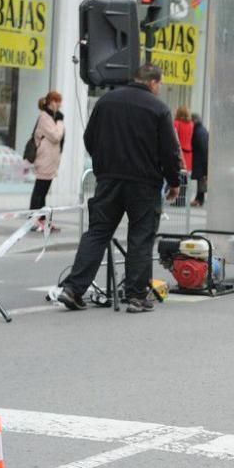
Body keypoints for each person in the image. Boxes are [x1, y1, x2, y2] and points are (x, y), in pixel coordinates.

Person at [56, 64, 181, 314]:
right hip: (144, 183)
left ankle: (73, 289)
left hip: (109, 180)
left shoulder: (106, 101)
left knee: (97, 233)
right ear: (154, 82)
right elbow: (169, 151)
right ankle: (136, 297)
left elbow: (89, 138)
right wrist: (174, 182)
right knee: (141, 237)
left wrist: (104, 164)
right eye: (160, 84)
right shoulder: (158, 108)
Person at [29, 91, 65, 232]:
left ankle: (42, 221)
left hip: (50, 160)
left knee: (42, 192)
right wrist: (60, 122)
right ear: (50, 102)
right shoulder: (45, 117)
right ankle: (34, 220)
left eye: (60, 101)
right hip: (44, 160)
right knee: (39, 191)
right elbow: (56, 136)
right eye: (57, 101)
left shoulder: (53, 117)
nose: (59, 104)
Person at [190, 113, 209, 206]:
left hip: (201, 159)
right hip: (202, 159)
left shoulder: (198, 131)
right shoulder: (202, 130)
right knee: (201, 180)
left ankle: (199, 200)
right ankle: (198, 199)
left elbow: (203, 147)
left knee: (201, 180)